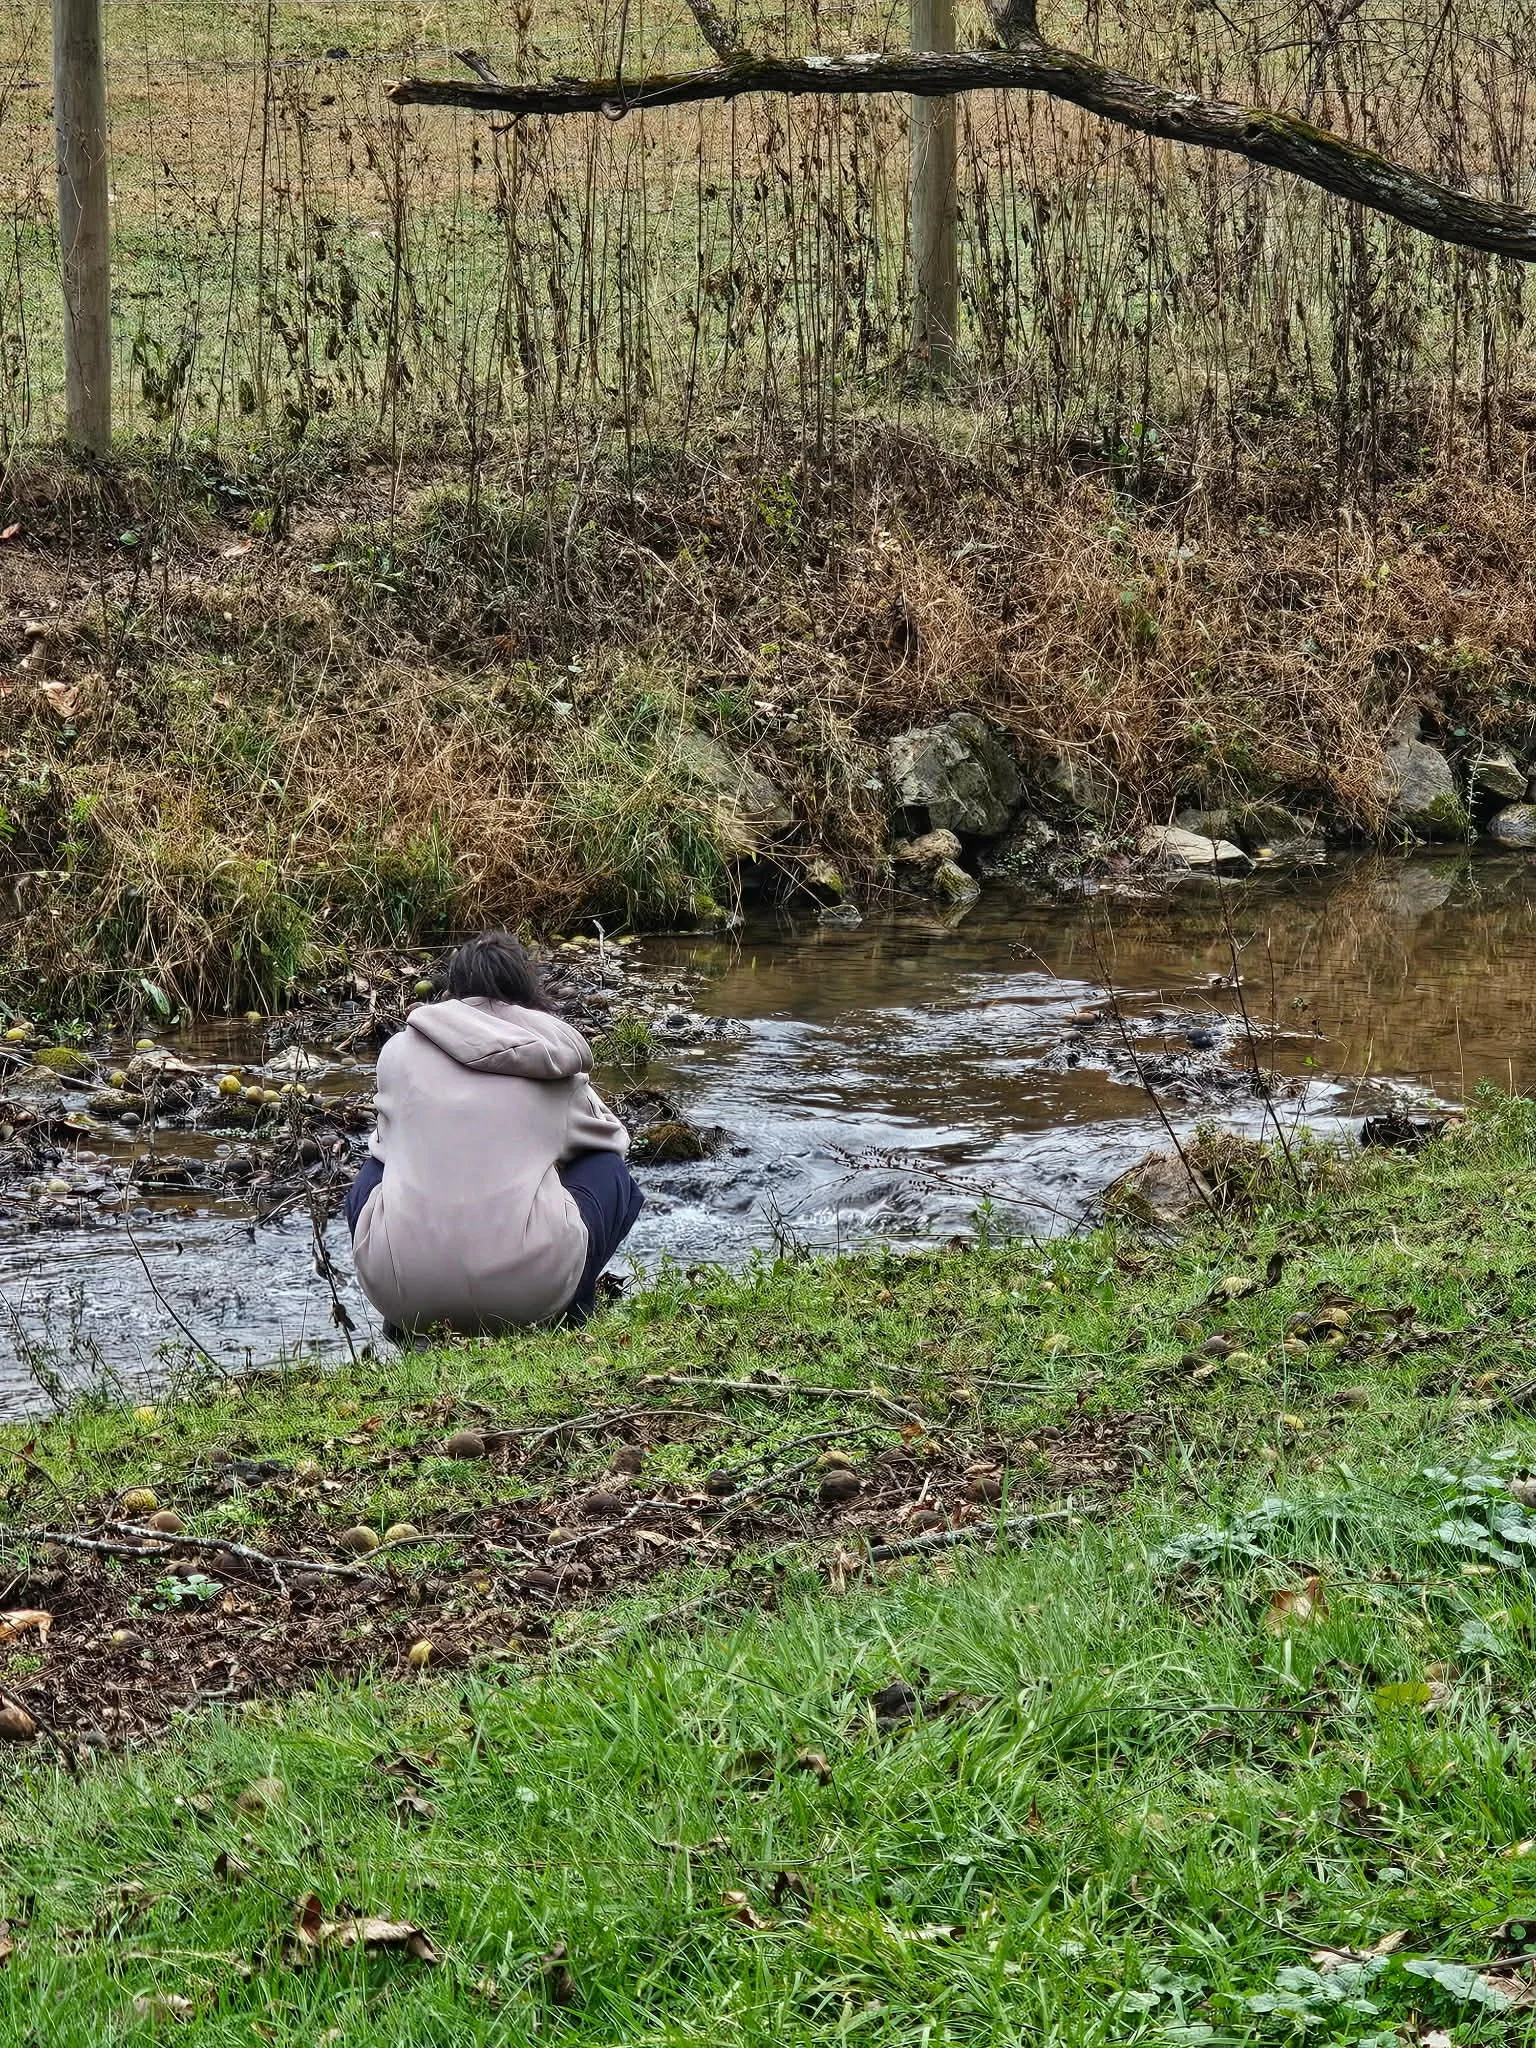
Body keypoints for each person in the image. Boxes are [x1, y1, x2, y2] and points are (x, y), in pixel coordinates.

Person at [344, 932, 643, 1334]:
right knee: (608, 1168)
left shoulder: (398, 1053)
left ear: (453, 990)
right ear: (527, 988)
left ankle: (407, 1321)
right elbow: (609, 1142)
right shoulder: (551, 1054)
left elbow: (388, 1144)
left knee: (375, 1169)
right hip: (526, 1296)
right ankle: (573, 1308)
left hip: (400, 1293)